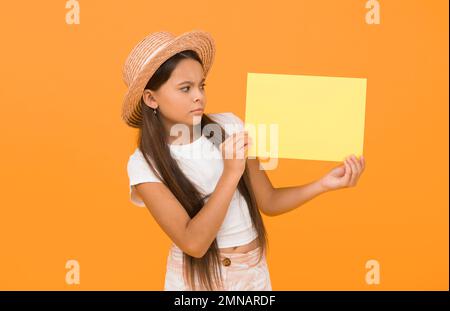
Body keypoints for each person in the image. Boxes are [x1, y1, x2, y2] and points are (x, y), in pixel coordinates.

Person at [122, 30, 366, 291]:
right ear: (151, 98)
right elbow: (194, 243)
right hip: (197, 281)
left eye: (201, 85)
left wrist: (323, 184)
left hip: (252, 272)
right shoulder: (145, 164)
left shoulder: (229, 126)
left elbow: (269, 200)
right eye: (185, 88)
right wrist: (230, 173)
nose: (199, 96)